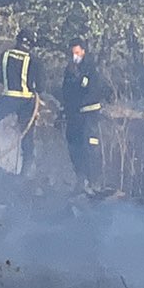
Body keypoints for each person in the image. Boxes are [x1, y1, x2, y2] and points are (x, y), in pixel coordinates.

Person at [0, 36, 39, 170]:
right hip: (27, 101)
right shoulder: (33, 60)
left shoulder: (5, 55)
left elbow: (0, 77)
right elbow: (40, 86)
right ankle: (26, 170)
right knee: (27, 133)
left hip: (8, 98)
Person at [61, 40, 105, 193]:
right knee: (74, 146)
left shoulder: (91, 69)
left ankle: (94, 182)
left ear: (84, 51)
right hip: (74, 116)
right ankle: (81, 179)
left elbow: (94, 91)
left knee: (90, 147)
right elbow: (66, 91)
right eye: (73, 53)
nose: (75, 56)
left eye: (77, 53)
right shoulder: (70, 70)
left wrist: (79, 102)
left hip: (89, 115)